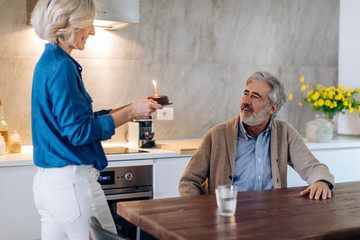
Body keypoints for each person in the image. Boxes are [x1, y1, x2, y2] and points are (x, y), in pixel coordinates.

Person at [30, 0, 162, 239]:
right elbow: (78, 131)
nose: (92, 31)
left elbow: (79, 120)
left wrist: (131, 106)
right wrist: (131, 114)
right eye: (88, 24)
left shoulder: (48, 62)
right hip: (71, 185)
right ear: (69, 23)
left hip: (48, 186)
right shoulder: (62, 67)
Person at [179, 71, 334, 200]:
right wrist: (198, 211)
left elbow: (312, 167)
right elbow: (188, 181)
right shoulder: (216, 135)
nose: (246, 101)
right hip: (228, 216)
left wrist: (321, 181)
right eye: (246, 94)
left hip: (272, 217)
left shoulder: (284, 132)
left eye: (255, 96)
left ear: (272, 108)